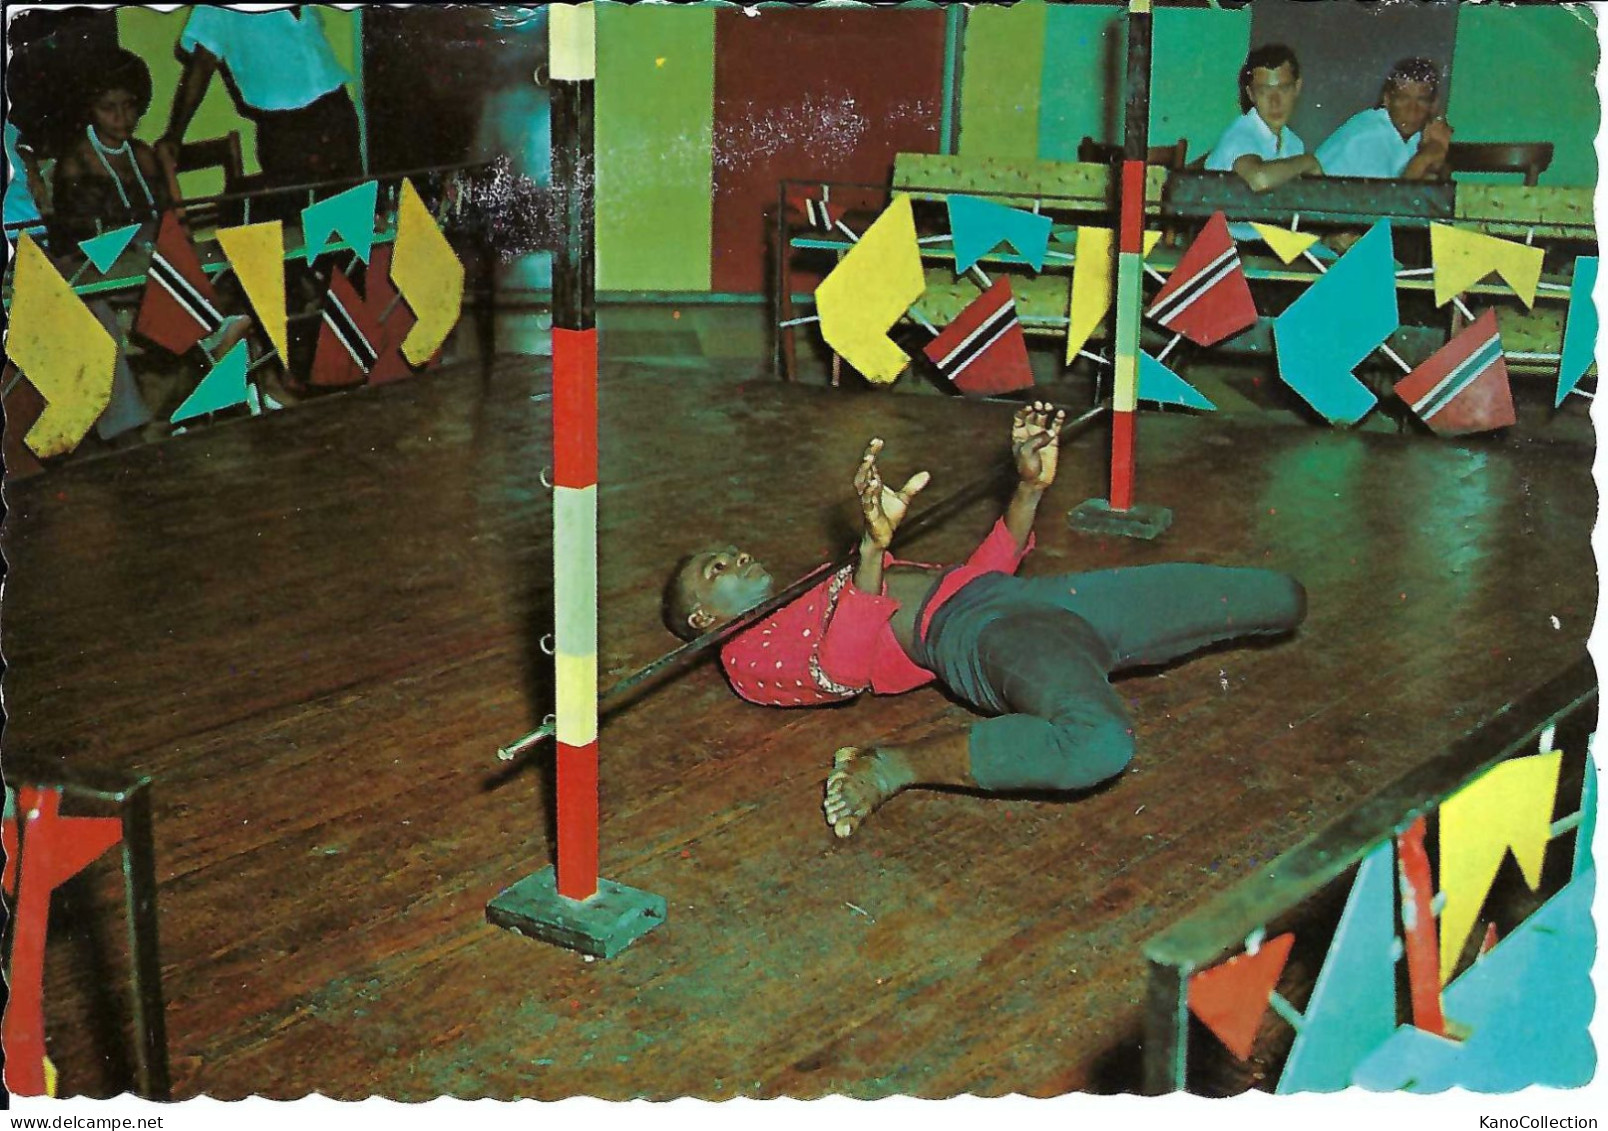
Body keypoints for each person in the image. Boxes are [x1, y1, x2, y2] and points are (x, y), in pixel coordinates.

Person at [664, 404, 1307, 839]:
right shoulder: (747, 655)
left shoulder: (813, 586)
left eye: (733, 549)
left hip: (1041, 603)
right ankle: (892, 766)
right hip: (983, 640)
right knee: (1098, 743)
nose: (737, 556)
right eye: (715, 568)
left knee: (1281, 598)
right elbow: (841, 673)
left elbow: (981, 574)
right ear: (702, 616)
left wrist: (1028, 489)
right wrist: (869, 552)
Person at [155, 6, 362, 195]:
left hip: (336, 110)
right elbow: (201, 66)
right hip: (286, 130)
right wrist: (174, 134)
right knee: (300, 223)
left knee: (355, 214)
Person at [1206, 44, 1323, 193]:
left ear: (1297, 87)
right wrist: (1308, 162)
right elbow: (1259, 179)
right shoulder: (1240, 134)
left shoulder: (1294, 143)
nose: (1275, 102)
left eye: (1284, 89)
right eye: (1264, 91)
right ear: (1251, 94)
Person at [1314, 57, 1453, 182]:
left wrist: (1438, 153)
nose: (1412, 110)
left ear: (1433, 105)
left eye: (1422, 100)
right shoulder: (1368, 135)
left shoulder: (1416, 136)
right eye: (1403, 98)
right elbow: (1399, 202)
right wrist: (1427, 155)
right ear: (1387, 100)